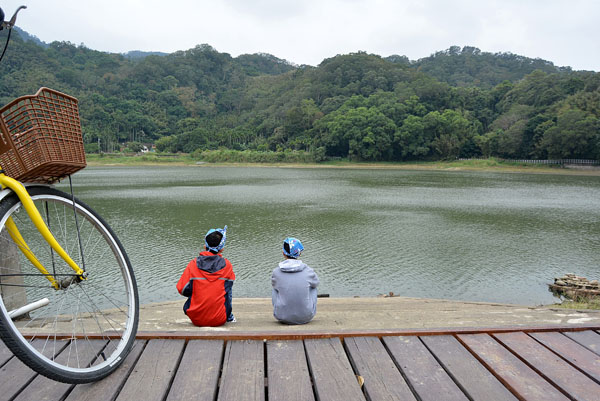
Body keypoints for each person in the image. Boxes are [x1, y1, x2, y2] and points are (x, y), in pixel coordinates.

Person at [176, 226, 236, 327]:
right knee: (227, 289)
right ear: (222, 249)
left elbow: (182, 289)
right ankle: (229, 317)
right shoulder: (227, 265)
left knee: (195, 286)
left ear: (205, 246)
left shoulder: (193, 264)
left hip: (196, 320)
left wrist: (198, 292)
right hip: (219, 320)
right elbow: (227, 292)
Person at [271, 237, 319, 324]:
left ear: (283, 253)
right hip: (306, 317)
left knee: (275, 288)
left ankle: (281, 310)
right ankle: (304, 310)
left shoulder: (276, 272)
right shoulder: (309, 271)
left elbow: (275, 286)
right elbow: (316, 283)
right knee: (313, 287)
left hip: (281, 317)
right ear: (299, 253)